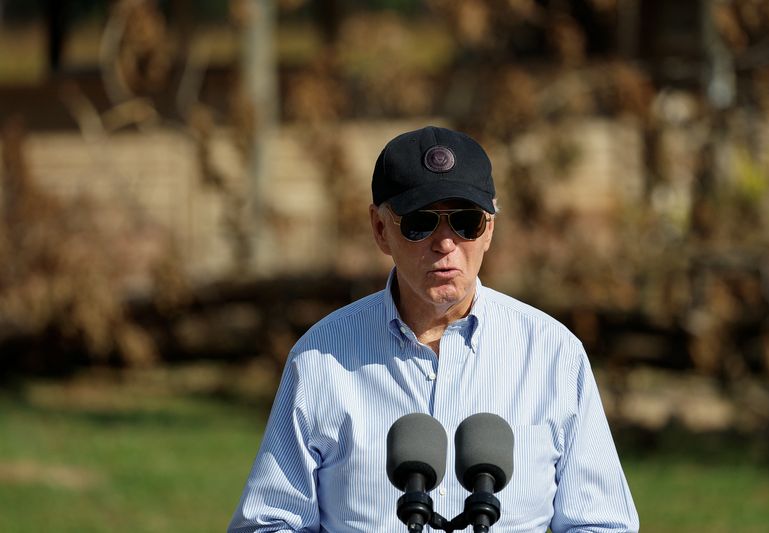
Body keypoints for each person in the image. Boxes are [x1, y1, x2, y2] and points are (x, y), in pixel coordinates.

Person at [228, 126, 639, 532]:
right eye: (420, 223)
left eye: (466, 221)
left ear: (490, 228)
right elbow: (269, 523)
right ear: (380, 229)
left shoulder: (553, 355)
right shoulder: (320, 358)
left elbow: (602, 524)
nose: (445, 243)